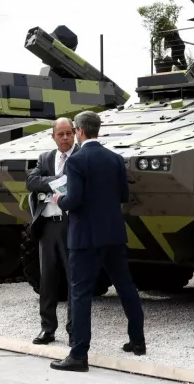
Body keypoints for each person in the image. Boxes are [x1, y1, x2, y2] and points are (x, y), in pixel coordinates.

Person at [49, 110, 145, 373]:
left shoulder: (76, 161)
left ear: (79, 131)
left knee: (80, 294)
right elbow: (123, 195)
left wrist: (59, 199)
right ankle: (138, 341)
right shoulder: (115, 159)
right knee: (126, 286)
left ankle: (79, 355)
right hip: (114, 234)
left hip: (84, 238)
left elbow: (74, 200)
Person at [26, 117, 78, 345]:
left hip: (71, 225)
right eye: (61, 134)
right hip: (47, 226)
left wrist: (48, 183)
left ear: (74, 133)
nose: (65, 138)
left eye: (69, 133)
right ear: (53, 136)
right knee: (47, 280)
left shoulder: (81, 157)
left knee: (73, 279)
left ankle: (74, 331)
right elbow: (31, 181)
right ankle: (47, 328)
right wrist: (58, 181)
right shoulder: (46, 158)